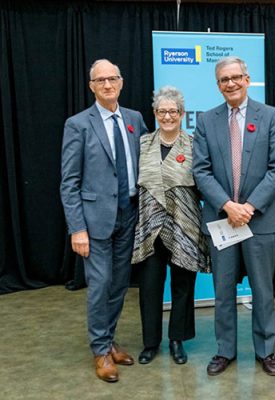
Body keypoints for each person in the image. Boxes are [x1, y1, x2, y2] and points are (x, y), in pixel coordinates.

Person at [192, 56, 275, 376]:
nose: (231, 84)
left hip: (260, 219)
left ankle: (266, 350)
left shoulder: (270, 116)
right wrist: (227, 205)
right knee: (223, 290)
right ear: (218, 85)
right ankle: (224, 350)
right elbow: (201, 171)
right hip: (222, 221)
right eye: (224, 80)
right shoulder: (206, 120)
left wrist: (249, 206)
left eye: (236, 77)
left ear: (247, 79)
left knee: (262, 290)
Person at [60, 59, 148, 382]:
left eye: (112, 78)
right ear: (92, 87)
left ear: (121, 82)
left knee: (120, 284)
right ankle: (100, 351)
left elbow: (148, 160)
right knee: (99, 286)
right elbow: (68, 181)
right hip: (94, 221)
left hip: (129, 214)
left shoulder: (135, 119)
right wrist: (77, 228)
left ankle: (109, 341)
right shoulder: (78, 124)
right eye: (101, 80)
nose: (107, 85)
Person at [131, 86, 209, 365]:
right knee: (150, 287)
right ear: (154, 113)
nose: (167, 116)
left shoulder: (194, 144)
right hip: (150, 229)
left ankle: (178, 340)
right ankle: (150, 343)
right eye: (162, 111)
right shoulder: (141, 144)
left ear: (181, 114)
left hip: (184, 227)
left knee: (182, 287)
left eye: (172, 111)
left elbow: (204, 183)